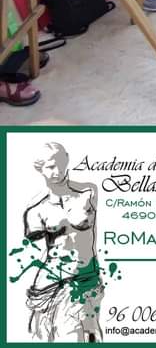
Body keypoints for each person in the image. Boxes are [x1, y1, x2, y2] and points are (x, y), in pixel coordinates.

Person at [18, 142, 104, 342]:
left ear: (66, 161)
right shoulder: (36, 212)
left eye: (60, 164)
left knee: (92, 337)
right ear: (40, 169)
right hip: (53, 282)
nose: (57, 171)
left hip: (87, 277)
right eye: (50, 166)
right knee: (62, 336)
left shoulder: (88, 193)